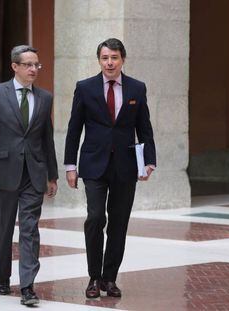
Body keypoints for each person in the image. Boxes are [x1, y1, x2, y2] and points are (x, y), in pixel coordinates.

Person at [64, 38, 156, 298]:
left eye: (114, 57)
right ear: (99, 60)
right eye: (105, 58)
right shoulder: (85, 88)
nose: (109, 63)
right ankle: (94, 276)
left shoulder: (137, 88)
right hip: (93, 165)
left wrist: (149, 160)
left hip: (125, 167)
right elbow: (74, 129)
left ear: (122, 59)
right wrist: (71, 166)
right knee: (95, 218)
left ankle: (109, 279)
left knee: (118, 223)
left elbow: (144, 128)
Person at [0, 45, 58, 306]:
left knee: (30, 229)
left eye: (37, 65)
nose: (34, 69)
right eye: (29, 64)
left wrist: (51, 175)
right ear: (15, 66)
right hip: (2, 171)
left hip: (33, 173)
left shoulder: (45, 98)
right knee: (2, 227)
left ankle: (28, 286)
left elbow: (47, 138)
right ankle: (3, 277)